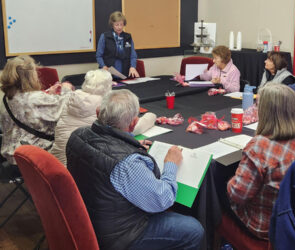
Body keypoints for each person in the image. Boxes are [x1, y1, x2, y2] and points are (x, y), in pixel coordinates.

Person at [66, 90, 203, 250]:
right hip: (118, 236)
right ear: (133, 123)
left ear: (98, 113)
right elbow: (163, 200)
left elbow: (106, 147)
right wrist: (171, 165)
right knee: (193, 229)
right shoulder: (127, 164)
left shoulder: (77, 135)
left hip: (86, 218)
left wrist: (131, 144)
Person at [226, 83, 295, 240]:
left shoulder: (259, 146)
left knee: (218, 189)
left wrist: (230, 179)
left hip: (267, 226)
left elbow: (238, 195)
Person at [50, 69, 157, 166]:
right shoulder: (104, 106)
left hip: (55, 162)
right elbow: (132, 127)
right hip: (74, 169)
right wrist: (152, 116)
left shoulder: (70, 98)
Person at [0, 55, 74, 165]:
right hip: (34, 153)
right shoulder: (35, 98)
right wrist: (66, 89)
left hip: (11, 152)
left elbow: (29, 106)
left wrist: (49, 95)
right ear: (29, 76)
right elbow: (66, 106)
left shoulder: (7, 98)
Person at [96, 11, 139, 78]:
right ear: (112, 24)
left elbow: (133, 55)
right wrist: (103, 66)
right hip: (108, 74)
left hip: (125, 72)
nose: (119, 27)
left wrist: (133, 67)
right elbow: (99, 56)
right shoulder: (105, 36)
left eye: (121, 24)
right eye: (117, 25)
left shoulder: (128, 37)